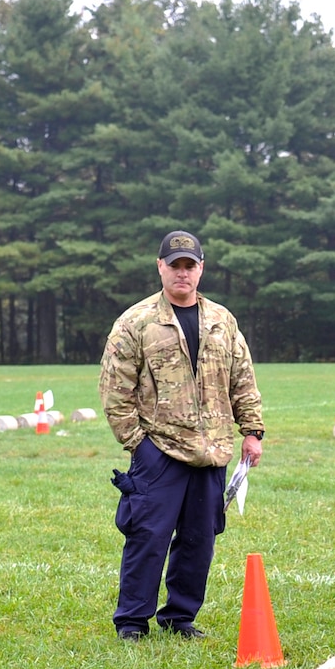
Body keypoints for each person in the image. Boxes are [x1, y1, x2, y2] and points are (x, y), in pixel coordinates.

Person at [99, 230, 265, 641]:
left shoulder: (222, 321)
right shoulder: (135, 322)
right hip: (160, 451)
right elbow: (114, 391)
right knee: (148, 538)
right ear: (160, 267)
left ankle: (179, 617)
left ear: (201, 268)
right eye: (175, 266)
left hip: (212, 451)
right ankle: (132, 622)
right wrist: (139, 444)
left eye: (190, 265)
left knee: (199, 539)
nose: (183, 274)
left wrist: (252, 431)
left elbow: (242, 378)